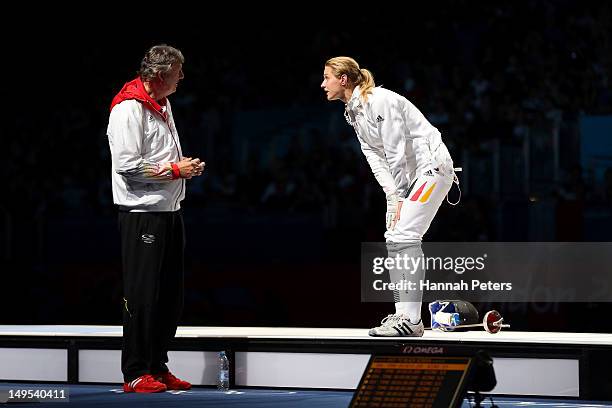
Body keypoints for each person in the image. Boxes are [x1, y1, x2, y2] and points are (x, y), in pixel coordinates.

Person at [321, 56, 458, 337]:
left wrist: (403, 195)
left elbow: (395, 152)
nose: (323, 84)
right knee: (394, 236)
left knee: (404, 235)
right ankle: (403, 316)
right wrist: (393, 198)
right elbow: (375, 157)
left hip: (431, 168)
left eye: (327, 77)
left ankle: (411, 321)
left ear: (343, 79)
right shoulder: (353, 112)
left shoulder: (378, 100)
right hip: (411, 177)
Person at [107, 44, 204, 392]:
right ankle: (135, 372)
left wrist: (182, 170)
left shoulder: (162, 103)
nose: (182, 77)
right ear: (161, 75)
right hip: (141, 214)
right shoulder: (128, 109)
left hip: (169, 211)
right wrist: (176, 169)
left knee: (169, 296)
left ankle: (157, 366)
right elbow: (128, 167)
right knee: (143, 294)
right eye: (178, 72)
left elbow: (160, 157)